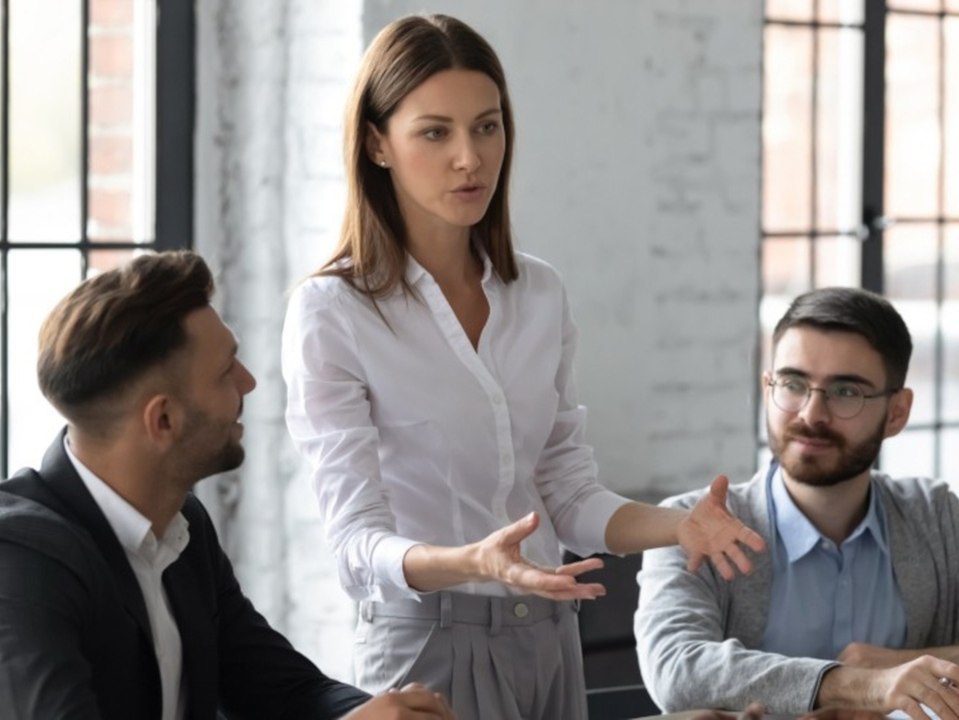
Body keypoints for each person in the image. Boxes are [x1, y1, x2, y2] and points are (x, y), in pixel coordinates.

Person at [281, 13, 765, 720]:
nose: (469, 158)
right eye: (435, 132)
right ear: (377, 143)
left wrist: (677, 526)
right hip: (427, 648)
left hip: (547, 636)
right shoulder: (334, 311)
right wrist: (474, 562)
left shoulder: (536, 293)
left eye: (486, 126)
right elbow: (356, 546)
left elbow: (565, 497)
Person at [0, 251, 454, 719]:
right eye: (225, 371)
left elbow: (279, 686)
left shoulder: (182, 526)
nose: (249, 382)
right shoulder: (20, 562)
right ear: (163, 419)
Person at [635, 286, 959, 720]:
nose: (811, 414)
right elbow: (677, 670)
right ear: (768, 388)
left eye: (846, 391)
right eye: (793, 383)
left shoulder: (937, 516)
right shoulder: (691, 524)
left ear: (897, 413)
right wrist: (861, 684)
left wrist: (900, 661)